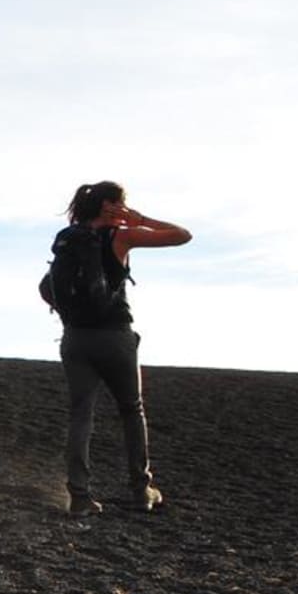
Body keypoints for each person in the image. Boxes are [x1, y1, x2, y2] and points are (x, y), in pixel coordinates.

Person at [45, 181, 189, 514]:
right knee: (131, 410)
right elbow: (182, 235)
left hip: (75, 337)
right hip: (114, 336)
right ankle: (141, 491)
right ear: (113, 206)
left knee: (81, 414)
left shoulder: (68, 240)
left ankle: (79, 497)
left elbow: (46, 288)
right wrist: (141, 219)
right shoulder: (120, 237)